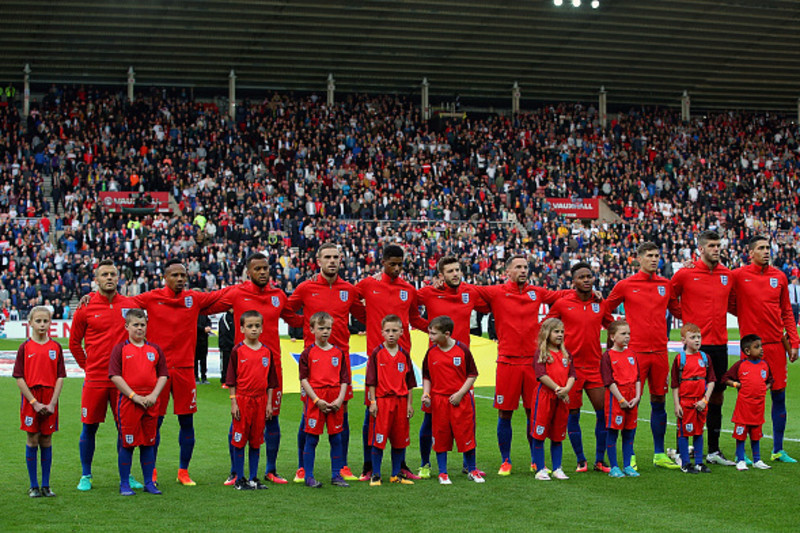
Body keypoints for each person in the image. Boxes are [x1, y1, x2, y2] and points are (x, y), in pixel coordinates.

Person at [205, 252, 301, 485]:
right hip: (244, 369)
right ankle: (235, 471)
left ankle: (271, 469)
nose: (262, 272)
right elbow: (206, 305)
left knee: (272, 418)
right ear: (248, 272)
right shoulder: (237, 293)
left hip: (272, 368)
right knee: (238, 419)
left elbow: (294, 319)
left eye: (265, 268)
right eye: (257, 269)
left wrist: (325, 318)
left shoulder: (278, 295)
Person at [130, 259, 228, 485]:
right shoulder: (152, 297)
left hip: (185, 370)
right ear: (165, 277)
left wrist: (246, 287)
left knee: (187, 422)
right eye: (175, 275)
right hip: (158, 372)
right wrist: (92, 298)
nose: (180, 279)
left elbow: (222, 296)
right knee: (154, 422)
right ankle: (150, 471)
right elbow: (122, 303)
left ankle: (183, 471)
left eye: (183, 275)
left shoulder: (193, 299)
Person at [471, 254, 565, 476]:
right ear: (508, 272)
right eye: (519, 267)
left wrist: (589, 293)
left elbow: (560, 295)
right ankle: (506, 460)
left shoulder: (537, 292)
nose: (524, 270)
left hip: (533, 363)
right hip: (507, 362)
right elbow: (467, 289)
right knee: (505, 413)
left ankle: (536, 459)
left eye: (526, 267)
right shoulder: (496, 291)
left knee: (534, 412)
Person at [285, 243, 366, 483]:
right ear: (318, 261)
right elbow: (287, 312)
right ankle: (302, 467)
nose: (332, 261)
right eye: (327, 257)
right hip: (314, 361)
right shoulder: (306, 287)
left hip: (340, 359)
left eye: (336, 257)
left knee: (343, 412)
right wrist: (306, 324)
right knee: (308, 411)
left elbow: (364, 315)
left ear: (341, 260)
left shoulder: (348, 290)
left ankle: (342, 467)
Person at [605, 242, 681, 469]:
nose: (654, 259)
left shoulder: (665, 285)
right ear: (638, 258)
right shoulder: (626, 285)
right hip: (634, 353)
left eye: (657, 255)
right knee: (629, 402)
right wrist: (618, 334)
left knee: (659, 400)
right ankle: (630, 455)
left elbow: (680, 311)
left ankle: (659, 453)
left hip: (659, 351)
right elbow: (606, 308)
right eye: (649, 255)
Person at [69, 260, 143, 491]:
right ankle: (86, 475)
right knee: (89, 426)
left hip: (123, 381)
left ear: (118, 277)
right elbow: (73, 343)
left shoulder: (129, 305)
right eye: (104, 274)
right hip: (96, 379)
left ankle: (127, 474)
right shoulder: (86, 307)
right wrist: (88, 367)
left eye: (113, 274)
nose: (109, 278)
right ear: (97, 279)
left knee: (125, 428)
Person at [356, 244, 428, 481]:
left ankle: (402, 466)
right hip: (377, 359)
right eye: (392, 264)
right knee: (372, 413)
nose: (397, 268)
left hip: (402, 358)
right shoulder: (368, 284)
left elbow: (415, 318)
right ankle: (369, 467)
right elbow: (349, 300)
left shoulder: (408, 289)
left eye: (400, 264)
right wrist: (367, 321)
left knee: (401, 416)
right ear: (383, 262)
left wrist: (439, 331)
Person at [415, 256, 489, 478]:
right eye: (450, 271)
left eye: (457, 270)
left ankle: (469, 465)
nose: (455, 274)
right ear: (441, 275)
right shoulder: (428, 292)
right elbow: (408, 308)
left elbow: (493, 303)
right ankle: (425, 463)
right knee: (430, 419)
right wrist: (429, 331)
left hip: (461, 363)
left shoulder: (471, 292)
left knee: (467, 419)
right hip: (436, 363)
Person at [729, 235, 800, 463]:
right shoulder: (738, 276)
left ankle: (778, 449)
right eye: (761, 248)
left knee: (778, 396)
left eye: (768, 247)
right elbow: (725, 296)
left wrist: (794, 342)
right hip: (750, 351)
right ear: (751, 253)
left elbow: (787, 312)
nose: (766, 251)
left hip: (776, 347)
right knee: (749, 399)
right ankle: (746, 453)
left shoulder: (779, 277)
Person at [669, 230, 735, 466]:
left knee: (716, 395)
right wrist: (685, 320)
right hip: (696, 346)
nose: (716, 249)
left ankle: (714, 450)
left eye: (719, 245)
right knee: (689, 395)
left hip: (720, 344)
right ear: (701, 249)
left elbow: (735, 303)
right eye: (712, 245)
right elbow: (668, 296)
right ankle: (682, 449)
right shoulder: (685, 274)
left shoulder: (727, 274)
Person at [545, 261, 611, 473]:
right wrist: (554, 353)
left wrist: (610, 352)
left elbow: (613, 327)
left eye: (589, 276)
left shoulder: (600, 303)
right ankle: (581, 460)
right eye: (581, 277)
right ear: (573, 281)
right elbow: (546, 328)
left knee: (603, 413)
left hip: (595, 367)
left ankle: (600, 460)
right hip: (570, 369)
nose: (586, 280)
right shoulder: (563, 304)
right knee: (572, 414)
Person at [108, 309, 168, 496]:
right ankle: (124, 483)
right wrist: (134, 396)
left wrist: (154, 395)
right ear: (127, 326)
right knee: (127, 443)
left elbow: (163, 375)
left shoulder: (155, 350)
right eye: (136, 324)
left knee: (149, 443)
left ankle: (149, 482)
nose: (140, 328)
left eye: (143, 325)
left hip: (150, 402)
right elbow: (115, 376)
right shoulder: (120, 349)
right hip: (129, 402)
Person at [421, 316, 483, 485]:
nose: (430, 337)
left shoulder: (462, 350)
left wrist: (461, 393)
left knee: (466, 434)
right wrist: (426, 394)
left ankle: (472, 470)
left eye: (433, 334)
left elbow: (472, 374)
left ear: (446, 334)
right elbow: (426, 375)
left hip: (460, 401)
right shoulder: (431, 352)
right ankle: (443, 473)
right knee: (440, 437)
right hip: (439, 401)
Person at [13, 306, 66, 498]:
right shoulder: (24, 348)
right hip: (31, 398)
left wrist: (52, 403)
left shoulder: (56, 347)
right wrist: (34, 402)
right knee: (32, 439)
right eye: (38, 321)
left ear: (50, 323)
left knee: (46, 439)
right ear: (30, 323)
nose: (42, 324)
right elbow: (19, 377)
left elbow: (60, 377)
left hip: (50, 397)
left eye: (45, 321)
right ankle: (33, 485)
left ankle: (46, 485)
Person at [226, 310, 279, 491]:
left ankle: (253, 478)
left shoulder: (266, 351)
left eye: (257, 326)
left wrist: (269, 403)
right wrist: (234, 402)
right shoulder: (237, 350)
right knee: (240, 439)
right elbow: (231, 380)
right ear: (242, 328)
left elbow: (271, 382)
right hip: (243, 399)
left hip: (261, 400)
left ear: (262, 328)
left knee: (256, 440)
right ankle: (239, 479)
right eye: (250, 326)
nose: (254, 329)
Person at [298, 312, 351, 488]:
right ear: (312, 329)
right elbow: (304, 379)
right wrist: (316, 400)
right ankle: (309, 476)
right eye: (321, 328)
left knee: (336, 438)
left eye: (328, 328)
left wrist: (340, 400)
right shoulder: (308, 353)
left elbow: (344, 379)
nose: (325, 331)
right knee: (311, 439)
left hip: (335, 398)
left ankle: (336, 475)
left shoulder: (338, 352)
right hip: (316, 399)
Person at [365, 314, 417, 486]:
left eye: (395, 330)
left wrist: (410, 404)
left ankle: (396, 475)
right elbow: (371, 381)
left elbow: (409, 383)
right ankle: (376, 475)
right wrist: (372, 402)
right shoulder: (377, 353)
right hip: (383, 402)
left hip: (401, 402)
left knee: (399, 439)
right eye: (387, 331)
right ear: (382, 332)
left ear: (402, 332)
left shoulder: (404, 354)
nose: (391, 334)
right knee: (378, 440)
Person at [530, 318, 575, 481]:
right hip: (545, 397)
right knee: (539, 433)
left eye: (562, 332)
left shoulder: (566, 353)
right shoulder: (542, 353)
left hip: (562, 398)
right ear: (547, 333)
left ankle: (557, 468)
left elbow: (572, 374)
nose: (560, 335)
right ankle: (540, 468)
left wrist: (567, 389)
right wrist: (558, 389)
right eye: (556, 331)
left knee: (558, 435)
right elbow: (541, 375)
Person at [722, 334, 774, 471]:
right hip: (743, 408)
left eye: (761, 346)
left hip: (758, 407)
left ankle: (757, 460)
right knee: (741, 435)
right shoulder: (741, 365)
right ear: (747, 351)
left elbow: (770, 381)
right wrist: (735, 384)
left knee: (756, 435)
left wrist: (764, 388)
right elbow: (725, 378)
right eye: (757, 347)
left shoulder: (765, 365)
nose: (761, 349)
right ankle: (740, 460)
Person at [670, 323, 715, 474]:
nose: (697, 340)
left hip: (700, 402)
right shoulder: (679, 359)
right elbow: (675, 385)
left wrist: (705, 400)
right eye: (693, 337)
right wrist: (677, 405)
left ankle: (698, 463)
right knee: (684, 432)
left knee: (699, 431)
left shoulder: (705, 358)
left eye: (699, 337)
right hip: (686, 402)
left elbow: (711, 381)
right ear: (683, 340)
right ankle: (685, 463)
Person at [600, 320, 641, 478]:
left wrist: (637, 396)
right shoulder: (608, 356)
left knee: (629, 432)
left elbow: (638, 377)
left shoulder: (631, 354)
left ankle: (627, 465)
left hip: (632, 397)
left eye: (628, 334)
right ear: (612, 336)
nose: (627, 337)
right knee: (613, 431)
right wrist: (621, 399)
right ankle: (614, 467)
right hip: (616, 398)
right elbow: (608, 381)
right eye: (623, 334)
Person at [218, 309, 235, 388]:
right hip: (226, 345)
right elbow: (225, 332)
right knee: (225, 363)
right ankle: (224, 381)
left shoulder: (236, 316)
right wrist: (232, 342)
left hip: (234, 345)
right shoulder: (224, 318)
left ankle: (233, 380)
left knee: (234, 363)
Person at [195, 313, 211, 384]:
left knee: (204, 359)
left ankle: (204, 377)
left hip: (204, 339)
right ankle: (196, 377)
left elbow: (208, 321)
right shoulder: (194, 314)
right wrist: (203, 329)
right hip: (195, 339)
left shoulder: (204, 314)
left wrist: (209, 327)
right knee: (195, 359)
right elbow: (193, 324)